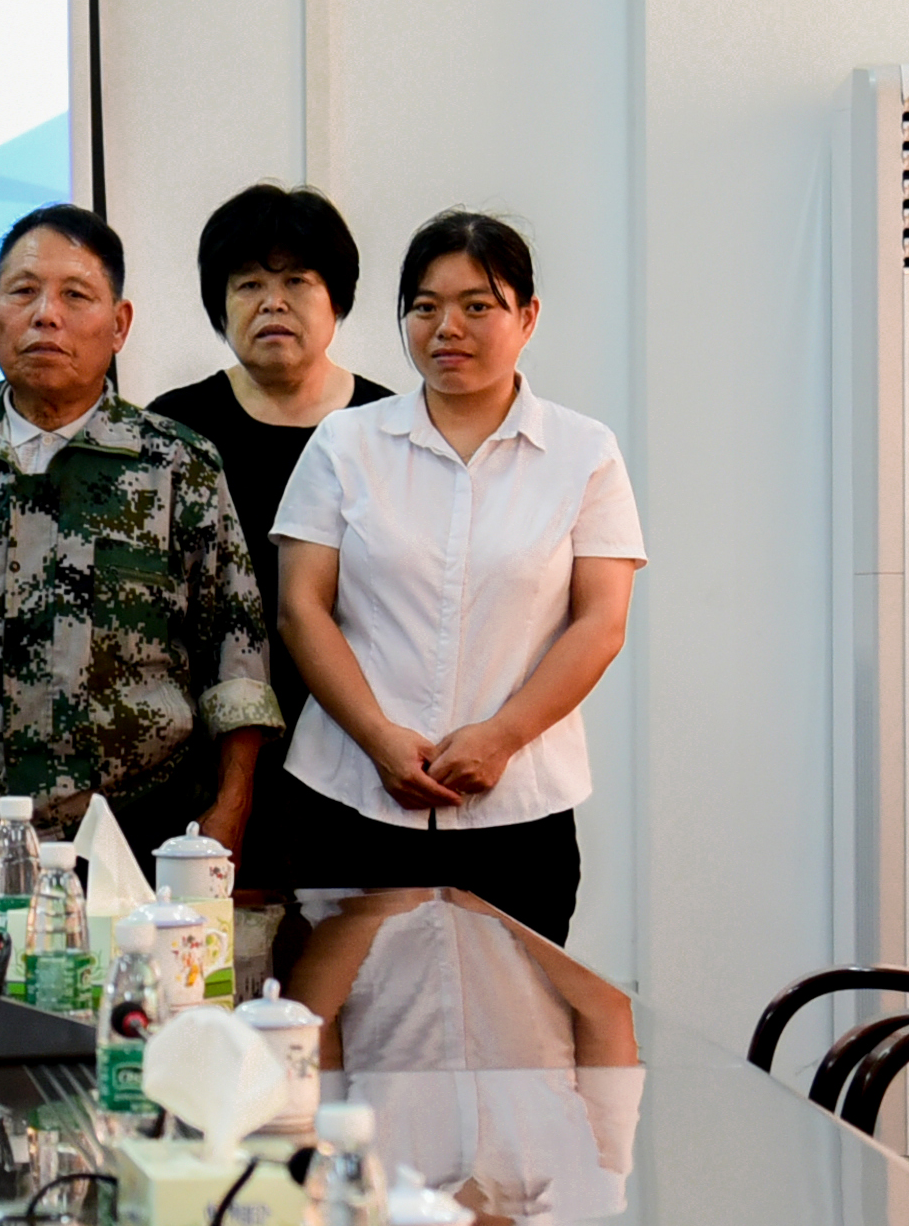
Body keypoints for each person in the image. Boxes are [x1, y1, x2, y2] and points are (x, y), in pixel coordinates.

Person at [0, 203, 281, 900]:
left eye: (76, 295)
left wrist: (232, 808)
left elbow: (236, 659)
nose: (46, 315)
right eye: (24, 291)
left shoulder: (177, 464)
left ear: (120, 324)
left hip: (138, 846)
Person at [269, 212, 644, 944]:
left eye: (477, 305)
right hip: (352, 796)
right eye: (425, 306)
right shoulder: (346, 441)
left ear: (528, 316)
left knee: (516, 1010)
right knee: (355, 1009)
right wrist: (378, 737)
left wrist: (502, 737)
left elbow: (602, 621)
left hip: (519, 810)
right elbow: (300, 607)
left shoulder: (584, 452)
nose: (448, 328)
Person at [145, 184, 397, 899]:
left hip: (359, 747)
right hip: (205, 755)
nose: (272, 303)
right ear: (219, 303)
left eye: (297, 282)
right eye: (249, 283)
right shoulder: (173, 428)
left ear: (337, 300)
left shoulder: (389, 426)